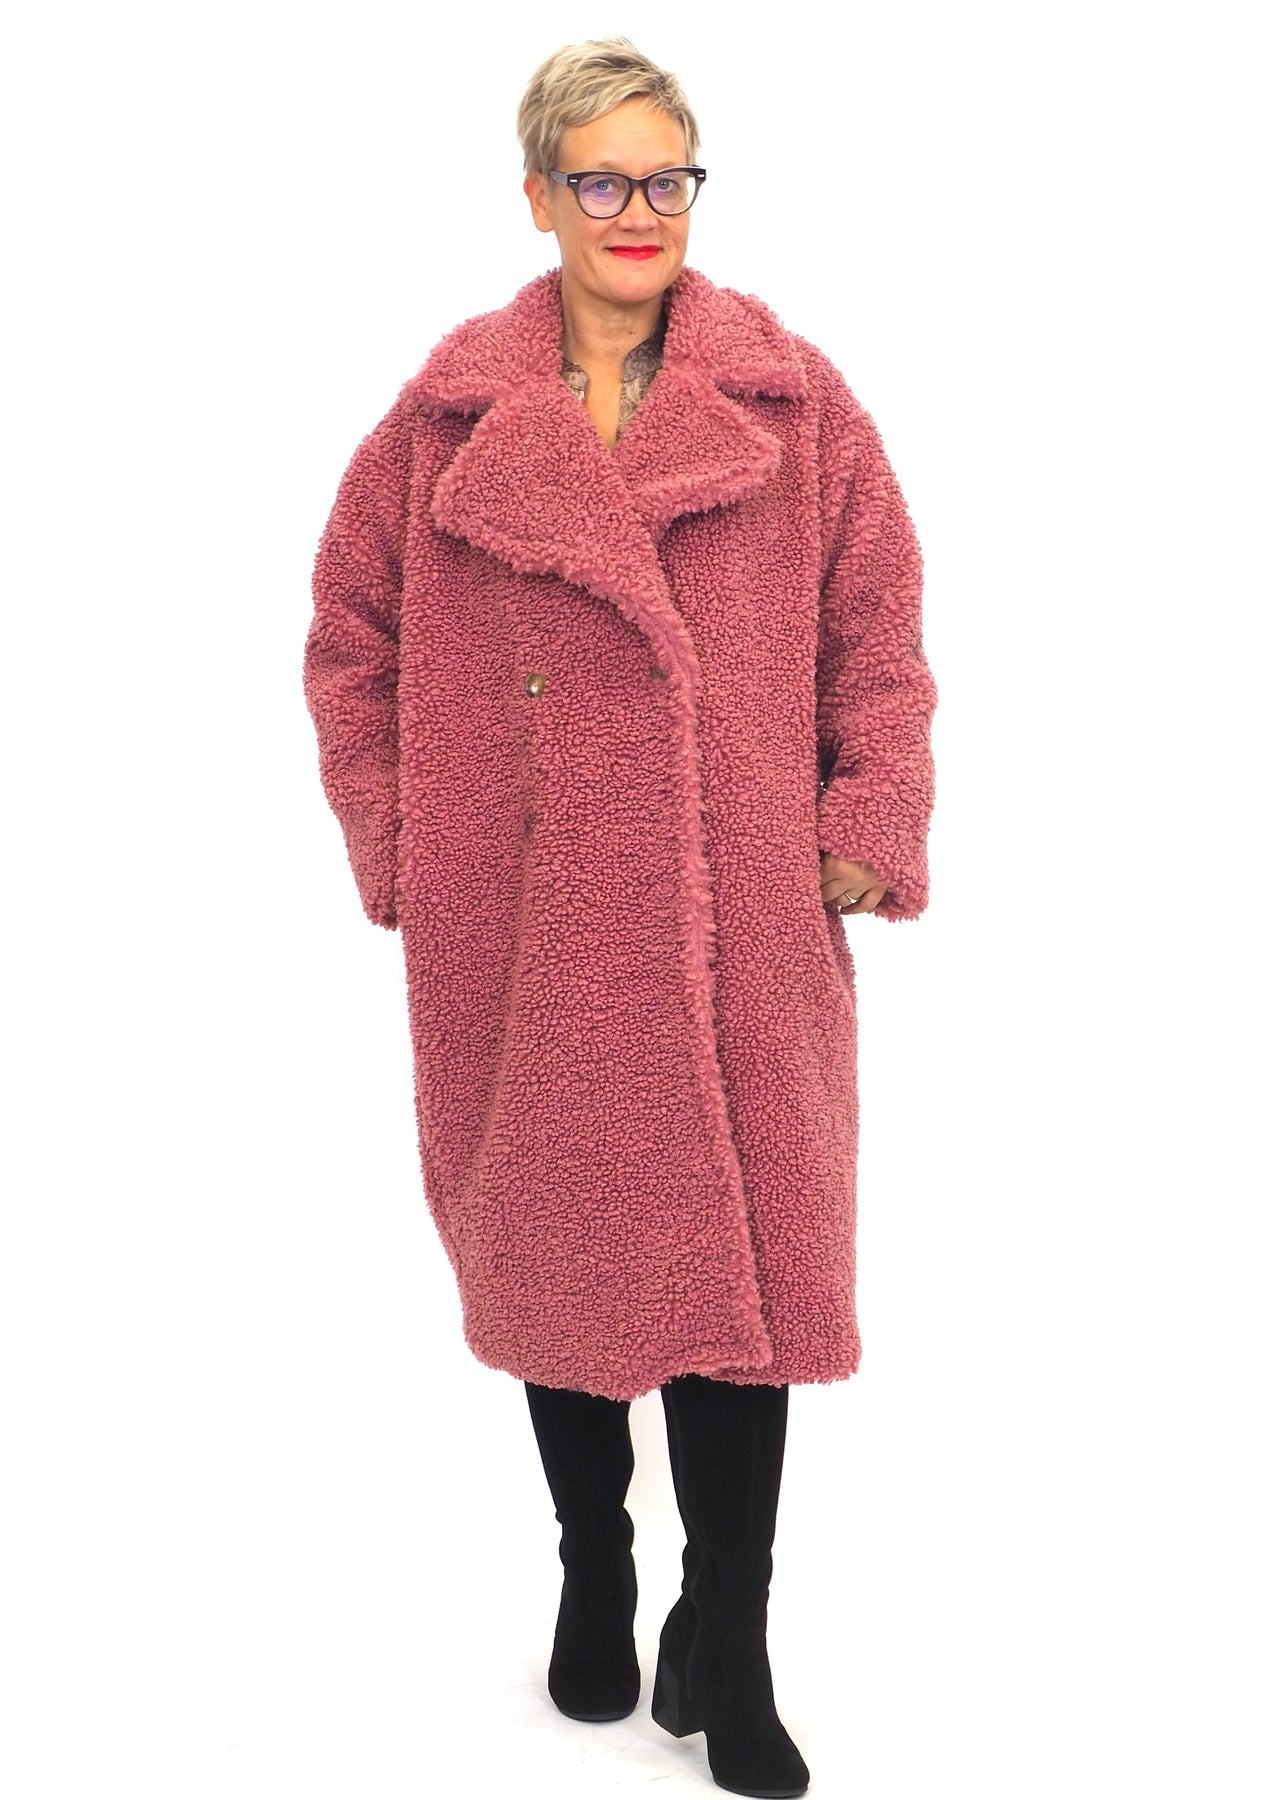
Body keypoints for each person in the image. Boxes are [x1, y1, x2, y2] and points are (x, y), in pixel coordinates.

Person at [302, 35, 937, 1800]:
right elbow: (350, 641)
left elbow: (878, 637)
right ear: (539, 197)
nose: (638, 209)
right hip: (530, 917)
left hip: (741, 913)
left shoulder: (793, 406)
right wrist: (403, 844)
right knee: (562, 1253)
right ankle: (596, 1565)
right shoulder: (441, 424)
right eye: (601, 177)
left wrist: (865, 821)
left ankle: (728, 1632)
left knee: (752, 1274)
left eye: (668, 176)